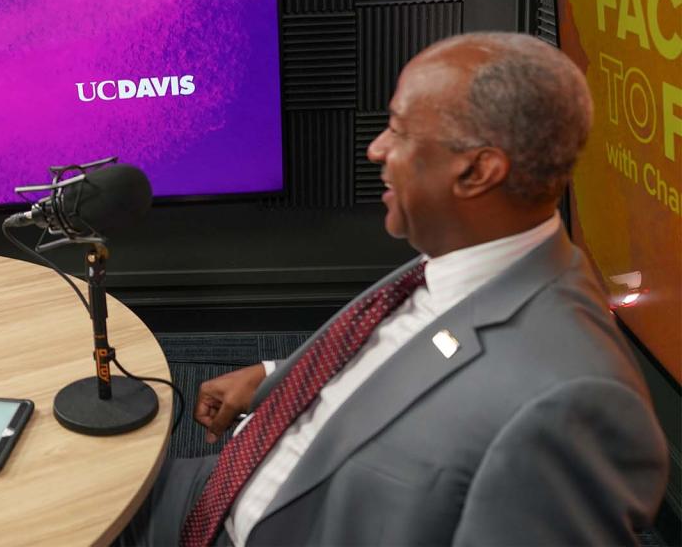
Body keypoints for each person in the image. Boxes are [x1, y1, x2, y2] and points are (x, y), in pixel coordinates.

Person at [122, 33, 668, 546]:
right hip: (219, 484)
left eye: (400, 131)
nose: (377, 150)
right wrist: (271, 377)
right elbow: (403, 367)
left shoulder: (571, 402)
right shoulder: (462, 257)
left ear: (477, 170)